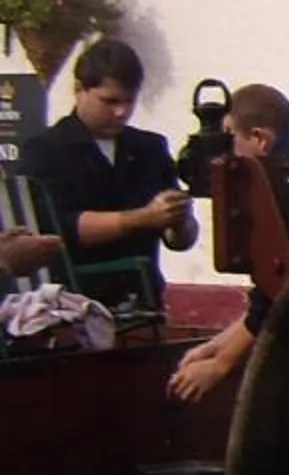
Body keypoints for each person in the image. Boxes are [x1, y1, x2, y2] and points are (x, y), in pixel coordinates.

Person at [165, 84, 289, 404]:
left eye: (231, 138)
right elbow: (270, 295)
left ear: (259, 139)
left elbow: (287, 287)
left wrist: (221, 365)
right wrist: (218, 344)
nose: (227, 154)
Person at [18, 37, 194, 314]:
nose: (121, 112)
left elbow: (179, 240)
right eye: (109, 101)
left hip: (143, 302)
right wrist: (142, 218)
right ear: (79, 90)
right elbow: (59, 229)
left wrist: (179, 219)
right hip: (71, 306)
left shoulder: (149, 148)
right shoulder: (46, 151)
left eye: (129, 101)